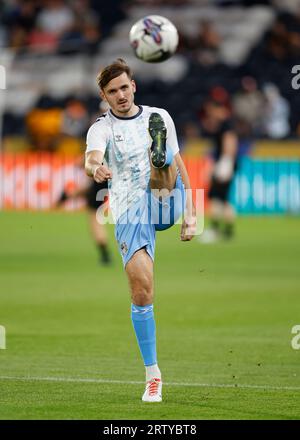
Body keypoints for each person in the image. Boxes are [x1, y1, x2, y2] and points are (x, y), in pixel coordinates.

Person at [85, 58, 196, 403]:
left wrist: (191, 213)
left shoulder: (158, 115)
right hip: (130, 209)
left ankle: (155, 156)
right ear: (104, 96)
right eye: (112, 91)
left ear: (134, 85)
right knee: (142, 291)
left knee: (162, 162)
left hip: (164, 196)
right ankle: (153, 375)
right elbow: (90, 158)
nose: (120, 95)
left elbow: (182, 164)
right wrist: (96, 167)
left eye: (124, 87)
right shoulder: (100, 128)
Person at [199, 90, 238, 243]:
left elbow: (230, 142)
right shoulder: (223, 124)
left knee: (215, 197)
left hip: (225, 163)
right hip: (225, 162)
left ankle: (215, 230)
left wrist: (225, 162)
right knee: (223, 198)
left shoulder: (226, 124)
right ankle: (228, 231)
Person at [57, 161, 111, 265]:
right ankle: (68, 196)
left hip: (100, 182)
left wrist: (83, 162)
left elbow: (90, 159)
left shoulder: (101, 150)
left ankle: (105, 254)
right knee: (89, 196)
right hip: (106, 183)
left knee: (94, 219)